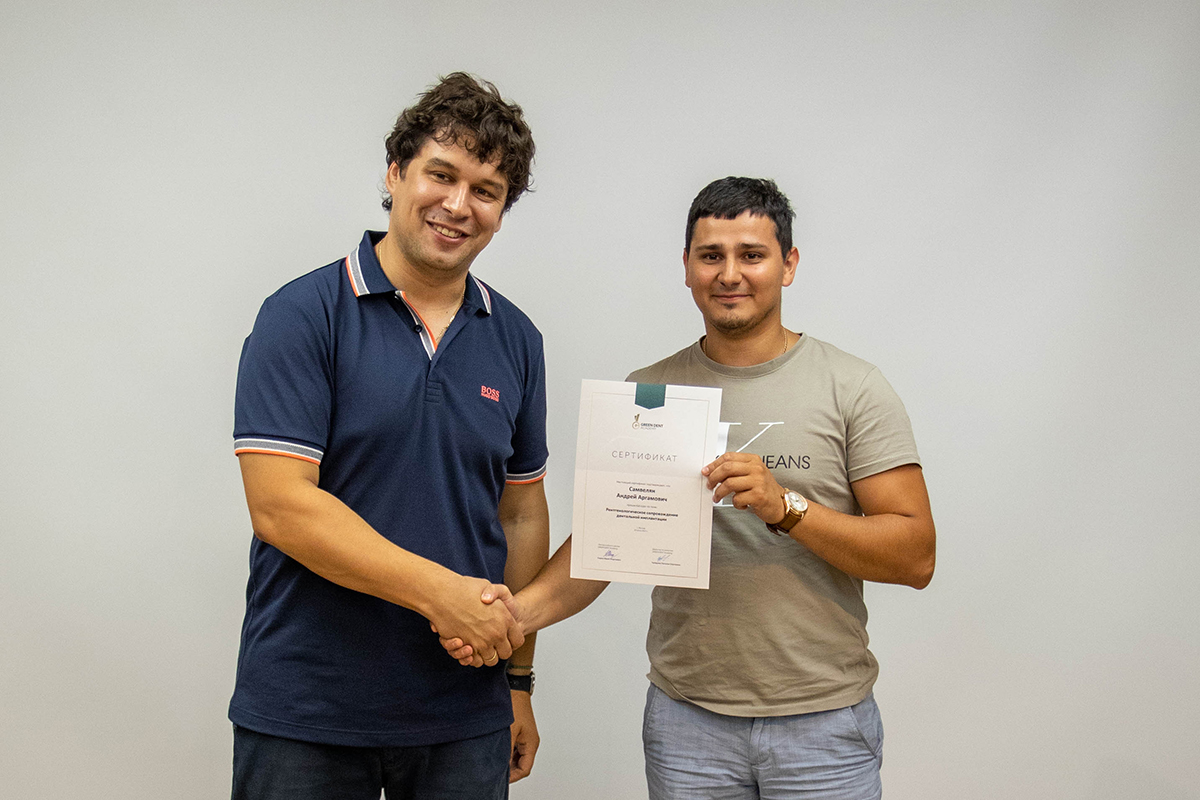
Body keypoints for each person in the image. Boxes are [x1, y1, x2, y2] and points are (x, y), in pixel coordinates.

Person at [443, 176, 936, 799]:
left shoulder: (852, 387)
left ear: (788, 265)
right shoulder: (649, 394)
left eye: (751, 255)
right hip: (688, 726)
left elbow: (915, 557)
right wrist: (506, 620)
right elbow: (603, 548)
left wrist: (786, 508)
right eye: (711, 256)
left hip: (823, 723)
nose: (730, 274)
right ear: (686, 267)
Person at [230, 72, 549, 799]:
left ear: (503, 211)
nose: (458, 205)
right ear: (396, 171)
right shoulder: (304, 314)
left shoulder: (517, 339)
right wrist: (441, 595)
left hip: (464, 712)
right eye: (442, 174)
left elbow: (521, 513)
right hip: (308, 709)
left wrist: (518, 680)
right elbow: (281, 507)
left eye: (486, 190)